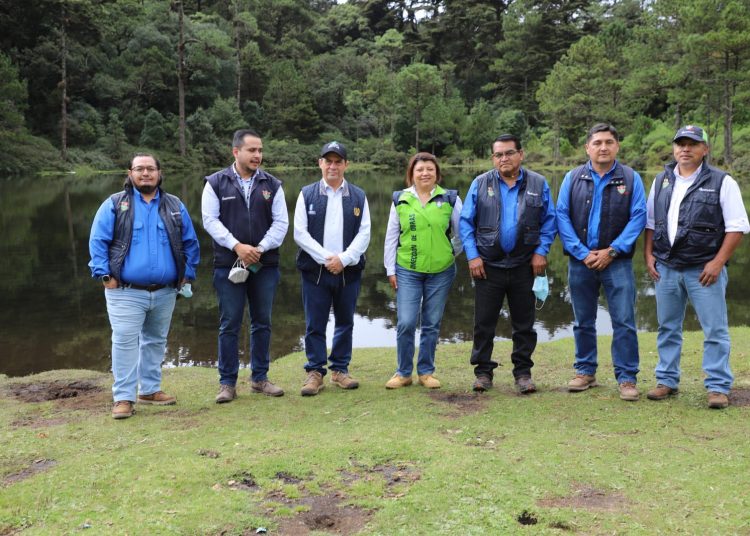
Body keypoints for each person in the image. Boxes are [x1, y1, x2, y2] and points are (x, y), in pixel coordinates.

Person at [644, 125, 749, 409]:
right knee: (667, 327)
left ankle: (717, 386)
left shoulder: (722, 181)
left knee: (715, 329)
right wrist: (648, 255)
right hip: (666, 267)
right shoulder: (661, 181)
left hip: (704, 269)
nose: (685, 149)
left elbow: (737, 226)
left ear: (705, 149)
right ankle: (666, 380)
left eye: (692, 144)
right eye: (681, 144)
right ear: (674, 148)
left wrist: (717, 262)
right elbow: (651, 223)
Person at [89, 153, 200, 419]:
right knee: (124, 342)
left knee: (155, 341)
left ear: (160, 173)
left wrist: (187, 274)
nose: (146, 173)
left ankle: (149, 390)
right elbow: (98, 242)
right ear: (130, 173)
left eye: (151, 168)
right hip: (125, 291)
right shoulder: (115, 204)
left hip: (165, 291)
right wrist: (105, 276)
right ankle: (123, 397)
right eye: (139, 169)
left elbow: (190, 242)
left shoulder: (174, 205)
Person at [459, 135, 556, 394]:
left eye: (509, 153)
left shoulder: (538, 183)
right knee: (483, 323)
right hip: (487, 265)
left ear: (520, 154)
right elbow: (466, 223)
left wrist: (541, 251)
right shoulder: (480, 183)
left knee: (524, 324)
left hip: (525, 264)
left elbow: (549, 221)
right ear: (493, 158)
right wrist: (472, 256)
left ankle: (523, 374)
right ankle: (483, 373)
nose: (504, 158)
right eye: (498, 154)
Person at [556, 123, 646, 401]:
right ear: (588, 148)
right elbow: (561, 216)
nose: (603, 147)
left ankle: (627, 378)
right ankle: (585, 371)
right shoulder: (572, 177)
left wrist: (613, 250)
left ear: (617, 146)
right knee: (583, 320)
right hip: (580, 261)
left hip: (617, 262)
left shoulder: (631, 178)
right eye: (597, 143)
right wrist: (581, 252)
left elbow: (639, 217)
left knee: (624, 320)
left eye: (609, 142)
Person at [202, 128, 289, 403]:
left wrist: (259, 249)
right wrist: (237, 246)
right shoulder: (215, 183)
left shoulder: (272, 184)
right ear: (236, 151)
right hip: (228, 263)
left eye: (260, 150)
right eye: (252, 150)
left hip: (264, 264)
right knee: (229, 323)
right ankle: (227, 383)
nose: (257, 155)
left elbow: (281, 223)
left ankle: (260, 379)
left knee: (262, 322)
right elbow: (210, 221)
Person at [293, 142, 371, 396]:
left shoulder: (358, 195)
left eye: (338, 162)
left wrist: (344, 259)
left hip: (348, 271)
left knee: (345, 322)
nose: (333, 166)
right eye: (328, 161)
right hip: (315, 271)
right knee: (314, 324)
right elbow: (300, 234)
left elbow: (364, 234)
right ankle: (315, 372)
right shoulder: (307, 193)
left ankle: (340, 369)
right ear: (320, 163)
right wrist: (328, 259)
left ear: (346, 165)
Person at [383, 152, 463, 389]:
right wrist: (390, 269)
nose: (425, 173)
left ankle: (426, 372)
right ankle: (403, 373)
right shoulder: (400, 199)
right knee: (406, 322)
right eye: (419, 169)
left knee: (431, 323)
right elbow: (391, 237)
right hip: (407, 270)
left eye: (430, 169)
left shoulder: (450, 198)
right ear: (412, 174)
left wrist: (449, 253)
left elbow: (461, 233)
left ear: (437, 173)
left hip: (441, 271)